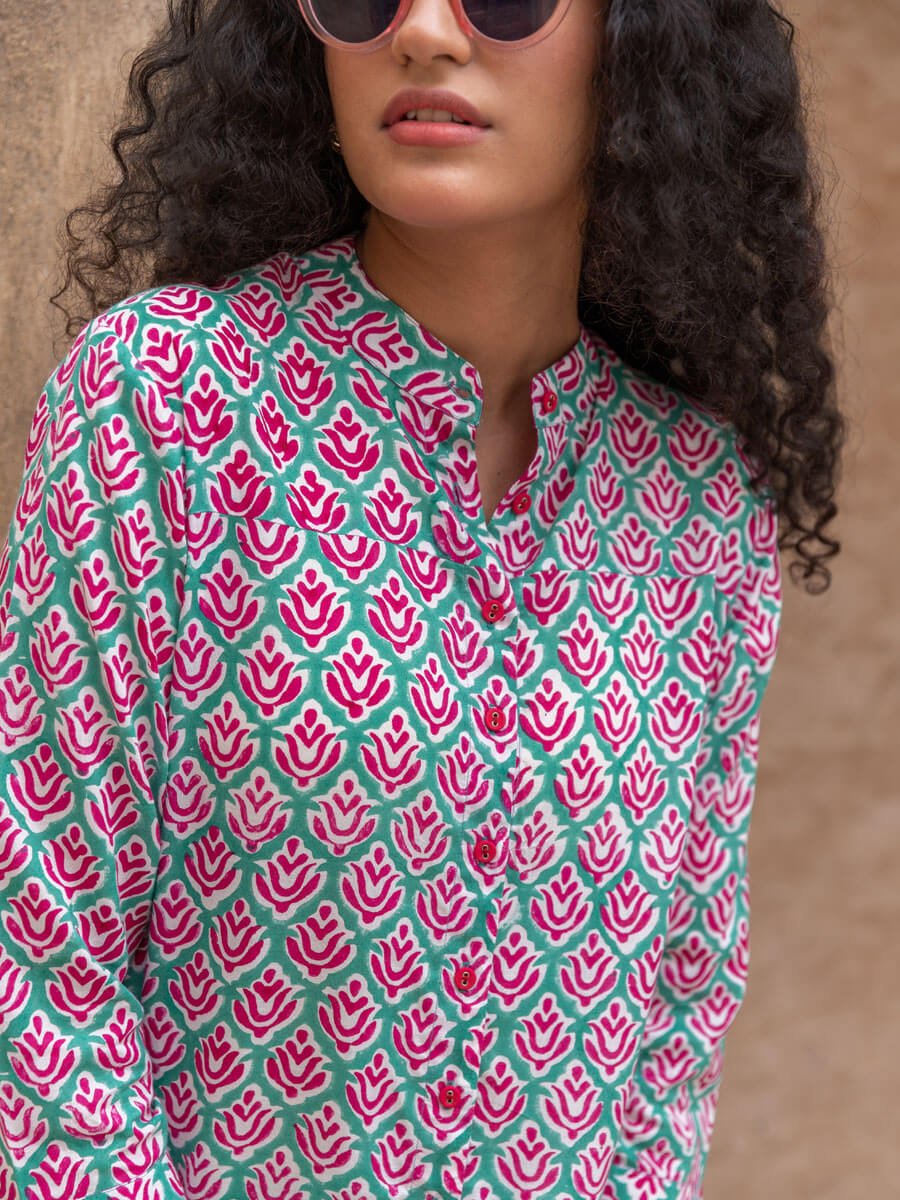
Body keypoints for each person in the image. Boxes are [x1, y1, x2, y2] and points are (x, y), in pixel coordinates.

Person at [0, 1, 844, 1197]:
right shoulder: (169, 400)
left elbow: (675, 1017)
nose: (427, 33)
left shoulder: (699, 498)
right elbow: (40, 957)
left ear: (644, 36)